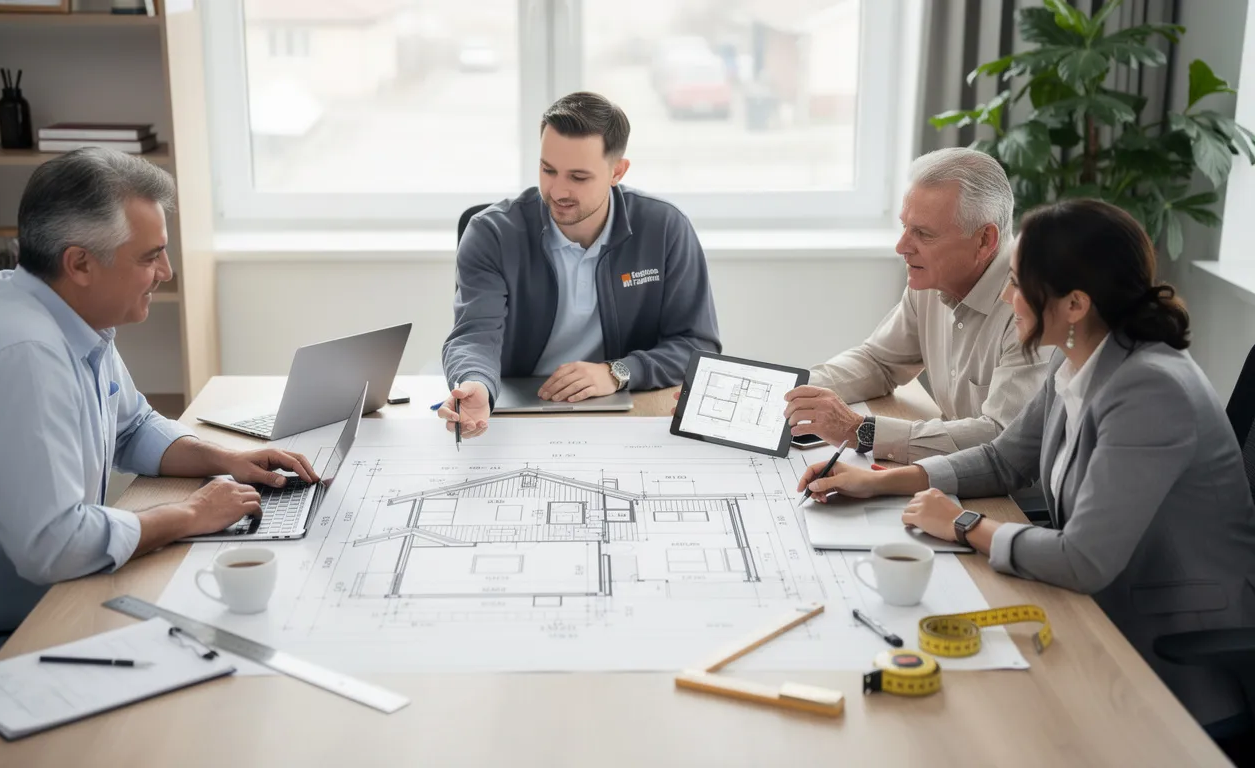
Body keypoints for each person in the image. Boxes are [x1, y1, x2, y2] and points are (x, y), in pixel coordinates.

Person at [798, 198, 1255, 739]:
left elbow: (1082, 559)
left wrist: (964, 524)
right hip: (1098, 616)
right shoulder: (1080, 355)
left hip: (1168, 660)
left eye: (1018, 284)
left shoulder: (1151, 391)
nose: (1008, 299)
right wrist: (885, 481)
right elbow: (1005, 458)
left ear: (1075, 304)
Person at [0, 148, 319, 747]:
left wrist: (226, 460)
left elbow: (131, 428)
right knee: (172, 727)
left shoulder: (69, 317)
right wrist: (189, 515)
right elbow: (53, 546)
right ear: (79, 263)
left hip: (22, 605)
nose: (169, 271)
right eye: (151, 256)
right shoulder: (20, 356)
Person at [439, 91, 720, 438]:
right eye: (548, 170)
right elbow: (473, 337)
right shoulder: (491, 233)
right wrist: (476, 385)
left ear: (617, 171)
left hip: (622, 409)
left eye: (578, 177)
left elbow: (697, 345)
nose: (558, 191)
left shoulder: (665, 228)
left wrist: (618, 371)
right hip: (515, 412)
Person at [784, 148, 1047, 463]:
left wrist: (861, 430)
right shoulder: (932, 281)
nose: (902, 246)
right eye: (905, 227)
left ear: (984, 241)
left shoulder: (1030, 304)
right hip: (949, 473)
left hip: (1012, 500)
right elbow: (879, 362)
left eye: (923, 233)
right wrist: (796, 392)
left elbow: (999, 436)